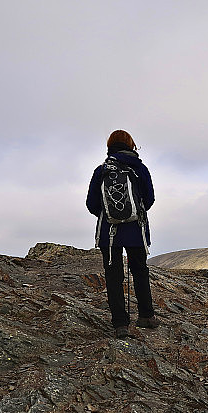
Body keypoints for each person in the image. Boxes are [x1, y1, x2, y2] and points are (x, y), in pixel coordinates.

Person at [86, 130, 160, 338]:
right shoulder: (140, 169)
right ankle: (146, 315)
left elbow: (91, 204)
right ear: (131, 146)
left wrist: (109, 215)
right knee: (140, 271)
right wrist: (133, 213)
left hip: (108, 233)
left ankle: (120, 324)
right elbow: (150, 199)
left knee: (113, 276)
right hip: (136, 230)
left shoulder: (100, 171)